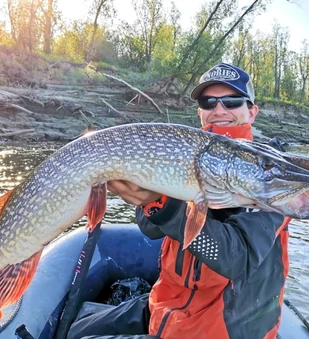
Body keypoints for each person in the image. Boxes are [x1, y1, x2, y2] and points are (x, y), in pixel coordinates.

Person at [68, 62, 291, 339]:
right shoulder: (182, 154)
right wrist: (150, 200)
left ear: (252, 111)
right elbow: (150, 229)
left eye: (232, 101)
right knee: (76, 330)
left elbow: (238, 261)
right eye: (209, 102)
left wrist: (167, 206)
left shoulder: (267, 173)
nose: (219, 110)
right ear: (200, 113)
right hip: (166, 306)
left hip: (220, 328)